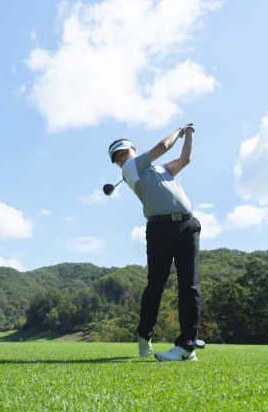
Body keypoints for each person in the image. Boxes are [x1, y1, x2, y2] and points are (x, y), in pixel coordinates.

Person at [108, 123, 201, 362]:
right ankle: (144, 334)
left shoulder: (160, 169)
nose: (121, 158)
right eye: (117, 158)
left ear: (133, 149)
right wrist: (180, 131)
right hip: (159, 228)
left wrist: (189, 133)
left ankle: (186, 348)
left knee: (189, 285)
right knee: (156, 285)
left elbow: (185, 159)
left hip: (187, 225)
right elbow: (163, 146)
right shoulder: (130, 170)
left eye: (123, 152)